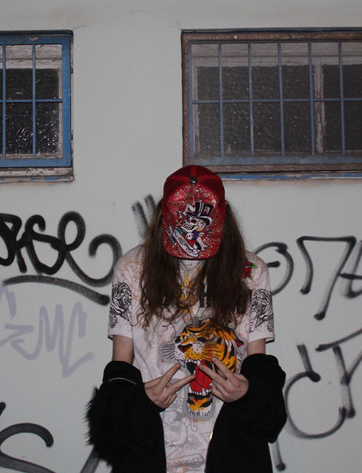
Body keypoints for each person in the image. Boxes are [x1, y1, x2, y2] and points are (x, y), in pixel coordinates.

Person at [86, 165, 286, 473]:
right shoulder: (132, 268)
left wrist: (246, 394)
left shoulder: (250, 270)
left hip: (230, 449)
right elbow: (120, 368)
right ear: (164, 218)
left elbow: (258, 365)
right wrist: (142, 402)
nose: (192, 235)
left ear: (222, 219)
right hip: (152, 448)